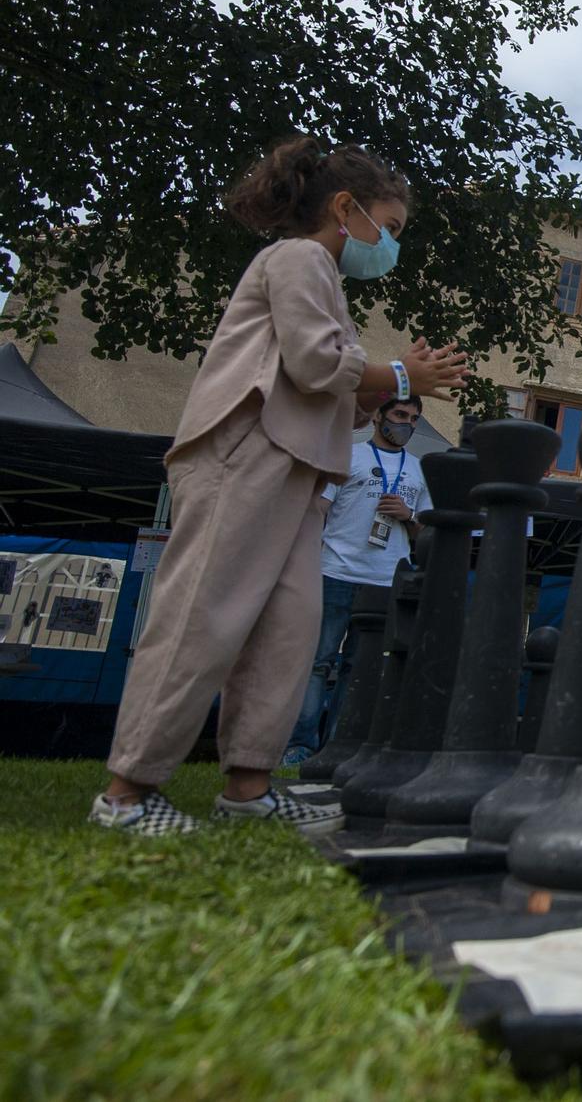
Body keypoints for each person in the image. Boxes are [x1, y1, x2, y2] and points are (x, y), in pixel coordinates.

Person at [89, 137, 466, 835]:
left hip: (299, 470)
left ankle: (249, 786)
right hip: (245, 452)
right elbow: (317, 363)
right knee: (204, 613)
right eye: (390, 227)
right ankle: (126, 792)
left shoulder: (327, 282)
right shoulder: (296, 259)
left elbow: (340, 398)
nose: (390, 245)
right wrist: (404, 375)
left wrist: (391, 378)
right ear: (345, 208)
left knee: (285, 634)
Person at [279, 394, 432, 766]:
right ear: (378, 417)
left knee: (361, 667)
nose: (406, 425)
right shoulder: (347, 455)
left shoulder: (420, 470)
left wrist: (408, 514)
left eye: (412, 419)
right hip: (335, 570)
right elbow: (319, 510)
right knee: (318, 661)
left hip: (386, 579)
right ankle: (300, 746)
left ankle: (340, 746)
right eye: (399, 415)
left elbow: (426, 534)